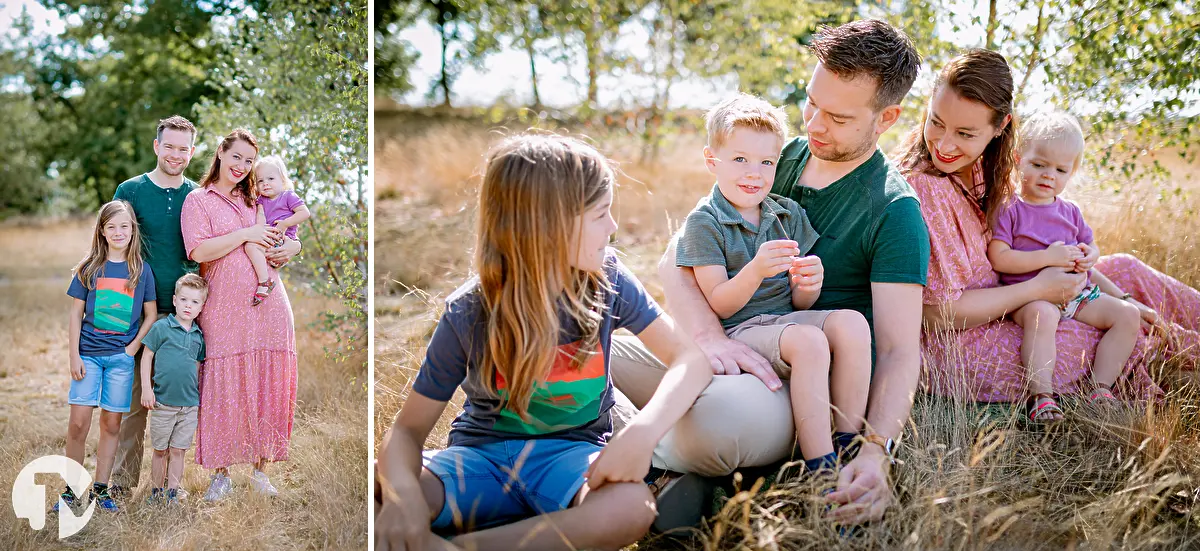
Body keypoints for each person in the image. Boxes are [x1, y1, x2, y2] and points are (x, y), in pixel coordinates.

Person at [611, 19, 928, 528]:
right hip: (729, 343)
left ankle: (659, 462)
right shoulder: (773, 156)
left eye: (839, 117)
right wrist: (711, 341)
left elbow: (896, 350)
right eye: (811, 102)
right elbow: (678, 256)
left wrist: (875, 453)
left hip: (798, 381)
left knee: (716, 423)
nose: (815, 125)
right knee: (583, 351)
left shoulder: (894, 211)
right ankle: (660, 464)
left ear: (886, 117)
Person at [374, 134, 713, 551]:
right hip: (480, 463)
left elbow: (690, 360)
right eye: (601, 214)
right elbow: (407, 431)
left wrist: (642, 434)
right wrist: (402, 496)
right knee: (378, 494)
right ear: (549, 227)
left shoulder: (608, 281)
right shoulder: (468, 311)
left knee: (631, 507)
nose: (613, 226)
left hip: (571, 461)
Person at [894, 49, 1200, 409]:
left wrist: (1111, 291)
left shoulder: (983, 170)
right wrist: (1039, 287)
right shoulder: (926, 186)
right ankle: (1171, 354)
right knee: (1121, 329)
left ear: (1000, 128)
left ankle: (1173, 343)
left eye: (965, 132)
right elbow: (937, 315)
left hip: (1017, 300)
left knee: (1125, 270)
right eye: (936, 121)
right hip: (971, 343)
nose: (944, 144)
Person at [675, 93, 871, 475]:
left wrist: (809, 283)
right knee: (810, 341)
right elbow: (720, 304)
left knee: (852, 323)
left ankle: (850, 442)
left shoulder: (786, 213)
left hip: (784, 323)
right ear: (712, 160)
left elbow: (799, 303)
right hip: (741, 330)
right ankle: (820, 467)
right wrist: (756, 269)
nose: (755, 173)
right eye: (740, 160)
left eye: (766, 161)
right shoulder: (705, 223)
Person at [987, 111, 1142, 424]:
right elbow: (999, 257)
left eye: (1060, 169)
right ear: (1019, 159)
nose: (1049, 175)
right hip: (1029, 296)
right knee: (1042, 315)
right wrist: (1048, 257)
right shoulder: (1010, 208)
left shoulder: (1070, 211)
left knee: (1128, 316)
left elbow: (1091, 246)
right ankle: (1041, 396)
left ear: (1072, 171)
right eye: (1039, 164)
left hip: (1076, 293)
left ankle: (1100, 387)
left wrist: (1089, 256)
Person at [181, 129, 299, 501]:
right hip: (222, 307)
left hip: (269, 304)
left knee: (266, 381)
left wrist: (294, 246)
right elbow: (199, 251)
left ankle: (262, 472)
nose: (242, 166)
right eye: (237, 157)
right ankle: (220, 473)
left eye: (249, 161)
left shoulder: (256, 196)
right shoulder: (198, 200)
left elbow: (286, 226)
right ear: (220, 153)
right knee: (222, 383)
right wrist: (247, 232)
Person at [59, 200, 157, 513]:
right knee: (78, 425)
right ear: (102, 231)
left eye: (124, 226)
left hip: (120, 361)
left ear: (132, 230)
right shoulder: (89, 268)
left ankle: (100, 490)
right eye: (111, 226)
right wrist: (74, 355)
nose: (118, 232)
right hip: (87, 357)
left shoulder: (141, 270)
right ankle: (71, 491)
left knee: (112, 424)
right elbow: (75, 315)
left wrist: (131, 349)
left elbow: (151, 315)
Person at [139, 273, 208, 504]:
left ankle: (173, 492)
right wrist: (147, 390)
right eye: (184, 299)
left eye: (195, 302)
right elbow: (147, 356)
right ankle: (156, 492)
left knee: (179, 450)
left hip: (188, 405)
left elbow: (197, 366)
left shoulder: (199, 336)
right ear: (175, 300)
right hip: (162, 403)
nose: (189, 306)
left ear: (202, 307)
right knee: (160, 450)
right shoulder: (161, 327)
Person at [247, 155, 309, 305]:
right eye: (260, 181)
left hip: (283, 238)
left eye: (270, 179)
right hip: (270, 238)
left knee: (251, 247)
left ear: (282, 180)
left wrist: (285, 224)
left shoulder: (288, 196)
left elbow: (304, 213)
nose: (265, 184)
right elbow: (260, 214)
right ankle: (266, 278)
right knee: (253, 247)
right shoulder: (261, 199)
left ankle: (264, 282)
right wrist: (261, 228)